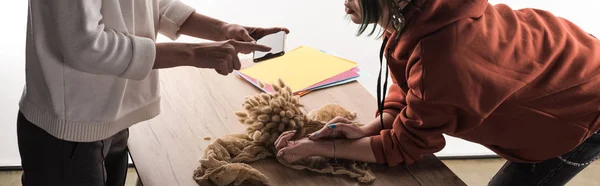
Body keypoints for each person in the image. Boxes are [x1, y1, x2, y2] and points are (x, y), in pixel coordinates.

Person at [274, 0, 600, 185]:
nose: (344, 2)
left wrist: (316, 149)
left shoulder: (445, 56)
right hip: (571, 63)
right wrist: (372, 127)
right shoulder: (424, 11)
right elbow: (412, 84)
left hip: (584, 110)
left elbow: (406, 145)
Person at [18, 0, 288, 185]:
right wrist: (194, 53)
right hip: (67, 130)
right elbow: (86, 45)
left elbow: (150, 5)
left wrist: (221, 29)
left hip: (110, 119)